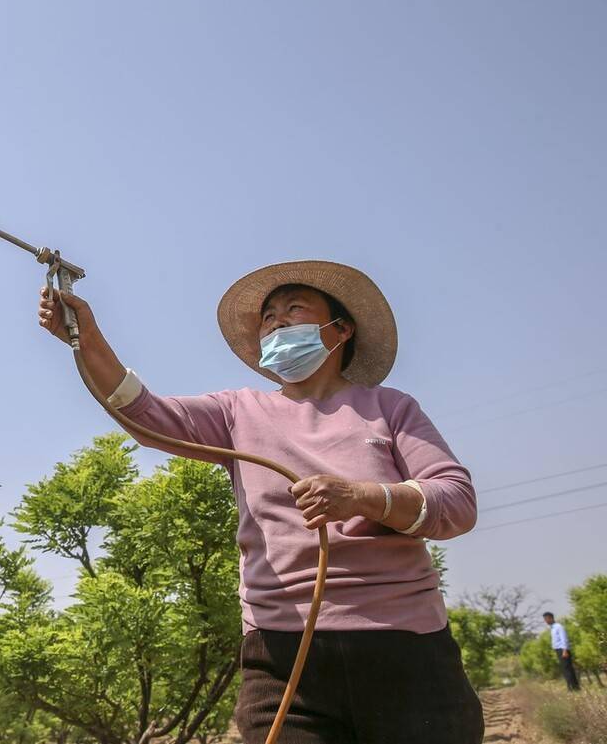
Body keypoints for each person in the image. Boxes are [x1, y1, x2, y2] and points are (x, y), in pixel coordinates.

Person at [38, 259, 483, 744]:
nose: (276, 322)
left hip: (407, 652)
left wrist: (362, 497)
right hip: (282, 661)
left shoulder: (390, 409)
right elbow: (145, 413)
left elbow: (455, 501)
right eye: (268, 317)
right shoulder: (237, 413)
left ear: (341, 329)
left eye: (294, 309)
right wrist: (86, 339)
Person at [543, 611, 580, 691]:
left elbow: (564, 639)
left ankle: (573, 688)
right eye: (545, 619)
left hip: (563, 650)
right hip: (558, 650)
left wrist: (564, 650)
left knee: (567, 669)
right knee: (566, 669)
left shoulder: (558, 627)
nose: (545, 621)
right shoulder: (552, 628)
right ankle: (574, 687)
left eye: (546, 619)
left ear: (551, 618)